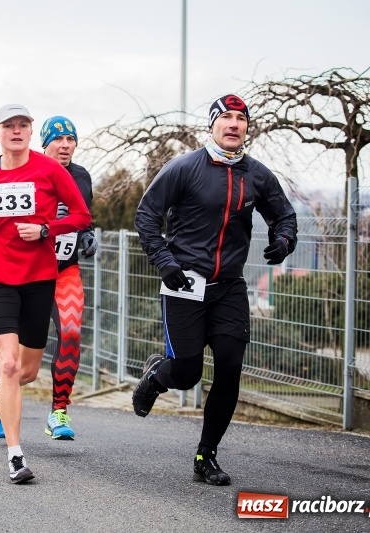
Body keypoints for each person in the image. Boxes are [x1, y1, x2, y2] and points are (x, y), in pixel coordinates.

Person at [133, 94, 298, 486]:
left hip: (229, 286)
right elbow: (147, 215)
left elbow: (285, 217)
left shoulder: (257, 174)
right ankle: (157, 376)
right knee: (187, 372)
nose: (233, 124)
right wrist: (166, 262)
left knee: (229, 367)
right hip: (184, 282)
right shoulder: (184, 168)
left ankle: (205, 456)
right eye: (226, 117)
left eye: (241, 118)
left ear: (246, 127)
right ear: (212, 125)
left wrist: (283, 241)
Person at [0, 104, 91, 483]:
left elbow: (81, 216)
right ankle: (15, 455)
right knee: (8, 364)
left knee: (27, 372)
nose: (17, 131)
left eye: (23, 125)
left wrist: (45, 230)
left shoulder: (49, 170)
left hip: (39, 277)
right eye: (9, 126)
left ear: (31, 132)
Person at [39, 116, 97, 441]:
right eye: (58, 139)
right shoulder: (29, 174)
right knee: (21, 355)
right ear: (44, 143)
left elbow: (83, 216)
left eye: (70, 139)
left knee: (71, 333)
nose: (65, 145)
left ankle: (58, 411)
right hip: (30, 272)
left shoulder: (81, 176)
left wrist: (87, 234)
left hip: (65, 270)